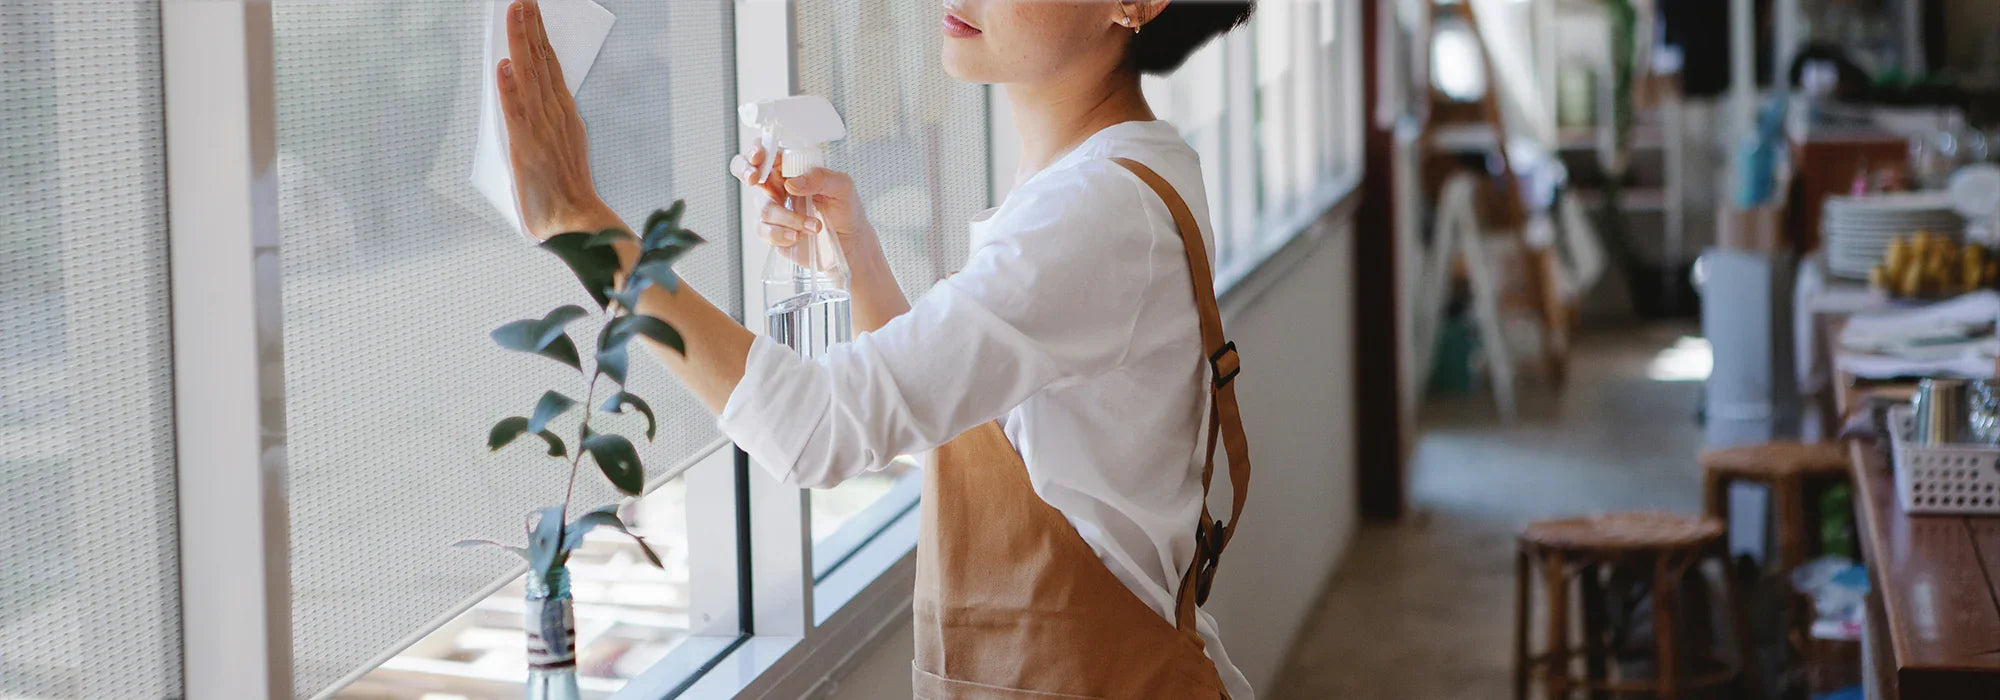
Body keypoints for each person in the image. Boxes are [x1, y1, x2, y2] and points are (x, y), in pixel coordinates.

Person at [496, 1, 1255, 696]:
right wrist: (855, 257)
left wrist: (583, 227)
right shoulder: (1123, 169)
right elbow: (986, 443)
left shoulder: (1093, 209)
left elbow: (813, 429)